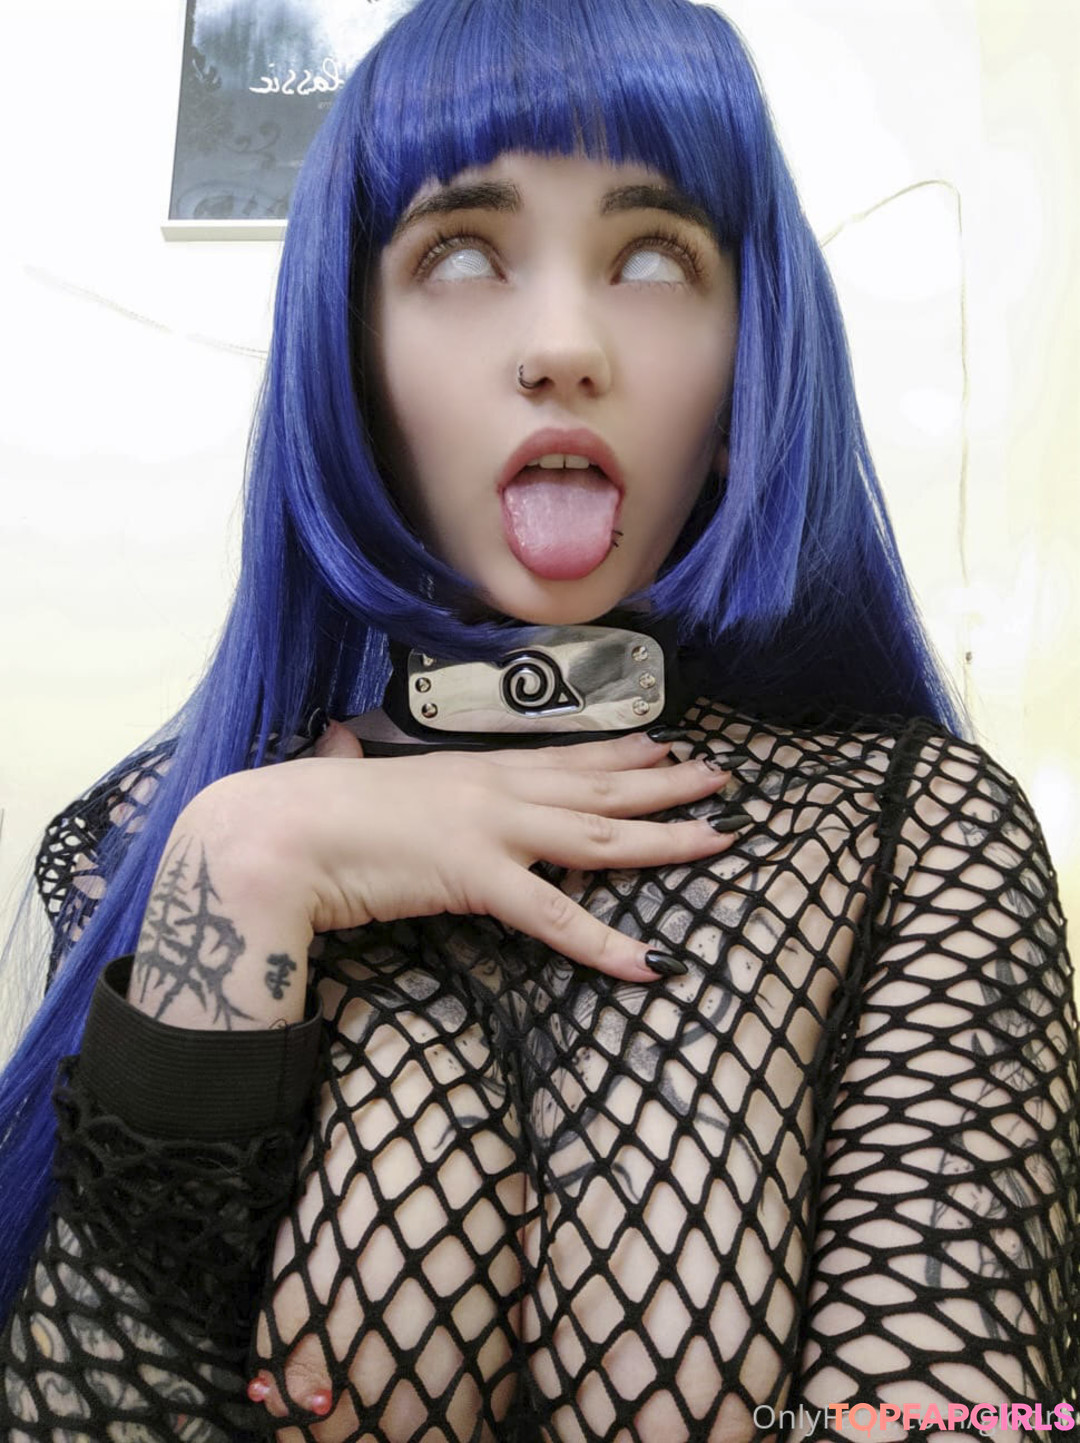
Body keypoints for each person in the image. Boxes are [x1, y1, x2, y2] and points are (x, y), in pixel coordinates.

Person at [1, 0, 1076, 1439]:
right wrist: (241, 869)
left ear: (750, 360)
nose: (564, 347)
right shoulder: (163, 838)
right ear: (351, 352)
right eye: (459, 254)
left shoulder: (914, 840)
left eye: (654, 257)